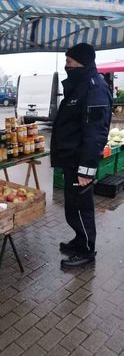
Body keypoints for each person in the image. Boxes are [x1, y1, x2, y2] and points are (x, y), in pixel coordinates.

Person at [51, 43, 112, 269]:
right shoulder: (80, 84)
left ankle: (87, 250)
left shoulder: (94, 88)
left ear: (81, 62)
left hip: (80, 163)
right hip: (71, 160)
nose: (66, 66)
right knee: (72, 206)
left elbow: (96, 133)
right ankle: (79, 239)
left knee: (82, 206)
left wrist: (87, 169)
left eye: (69, 62)